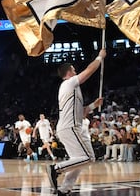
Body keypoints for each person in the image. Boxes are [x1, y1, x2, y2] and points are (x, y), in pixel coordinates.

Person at [47, 49, 105, 195]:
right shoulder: (69, 83)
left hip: (71, 126)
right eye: (73, 69)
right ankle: (55, 169)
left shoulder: (73, 89)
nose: (75, 71)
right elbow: (89, 71)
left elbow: (82, 111)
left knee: (79, 159)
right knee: (88, 157)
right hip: (70, 127)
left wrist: (94, 105)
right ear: (69, 73)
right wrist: (99, 57)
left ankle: (64, 189)